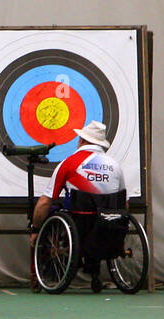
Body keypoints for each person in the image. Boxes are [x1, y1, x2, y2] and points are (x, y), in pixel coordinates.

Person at [30, 120, 126, 293]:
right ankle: (95, 273)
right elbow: (124, 203)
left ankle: (45, 276)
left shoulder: (69, 163)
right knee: (98, 216)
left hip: (79, 222)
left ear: (82, 140)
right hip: (110, 224)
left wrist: (36, 229)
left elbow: (45, 201)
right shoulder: (115, 165)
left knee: (51, 210)